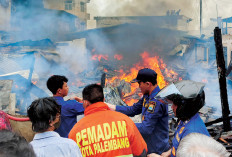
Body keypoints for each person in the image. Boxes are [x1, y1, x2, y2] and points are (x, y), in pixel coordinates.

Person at [69, 84, 147, 157]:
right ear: (104, 99)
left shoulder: (75, 131)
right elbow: (141, 151)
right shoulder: (125, 121)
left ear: (85, 103)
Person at [107, 68, 170, 154]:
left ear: (148, 84)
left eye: (139, 83)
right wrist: (110, 107)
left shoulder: (156, 101)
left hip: (156, 149)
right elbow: (133, 110)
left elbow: (146, 128)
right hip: (149, 144)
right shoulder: (147, 96)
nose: (138, 87)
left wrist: (123, 126)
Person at [149, 80, 210, 157]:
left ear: (185, 107)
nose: (172, 107)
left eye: (175, 104)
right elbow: (181, 143)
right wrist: (169, 152)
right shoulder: (186, 119)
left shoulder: (192, 134)